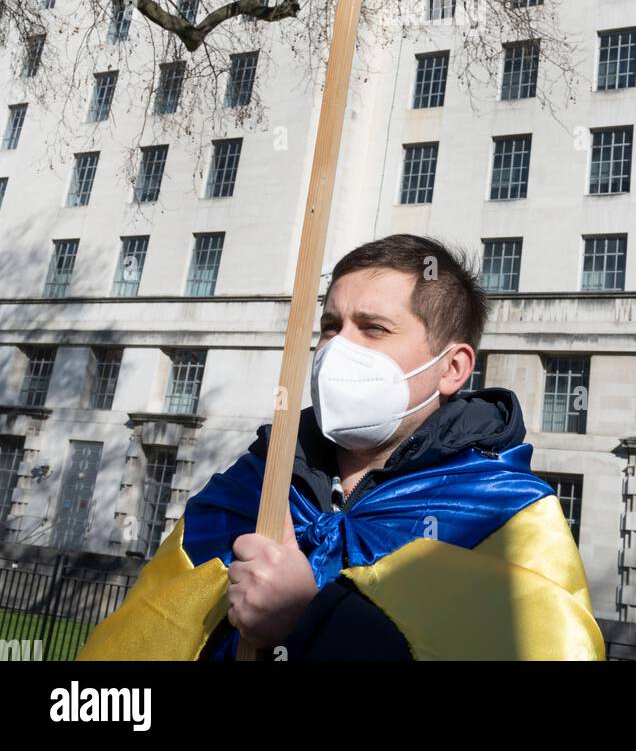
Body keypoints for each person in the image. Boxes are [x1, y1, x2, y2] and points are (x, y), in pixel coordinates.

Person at [77, 234, 605, 663]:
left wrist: (311, 620)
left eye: (373, 329)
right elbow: (148, 636)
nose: (337, 349)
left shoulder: (505, 515)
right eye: (331, 326)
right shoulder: (252, 482)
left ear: (452, 368)